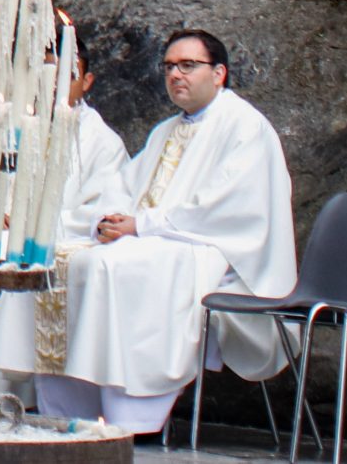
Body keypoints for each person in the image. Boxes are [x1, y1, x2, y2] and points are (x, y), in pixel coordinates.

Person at [31, 29, 295, 434]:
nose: (175, 75)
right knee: (66, 260)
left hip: (215, 252)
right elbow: (123, 186)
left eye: (188, 65)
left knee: (115, 266)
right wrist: (108, 220)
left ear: (219, 73)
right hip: (159, 241)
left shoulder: (245, 127)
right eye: (169, 66)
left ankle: (130, 415)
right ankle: (70, 412)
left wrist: (141, 225)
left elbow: (225, 209)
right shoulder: (166, 130)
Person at [0, 45, 137, 407]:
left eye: (68, 74)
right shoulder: (18, 127)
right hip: (3, 237)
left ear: (87, 81)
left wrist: (33, 224)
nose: (54, 82)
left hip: (54, 241)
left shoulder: (103, 143)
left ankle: (16, 394)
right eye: (48, 71)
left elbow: (103, 212)